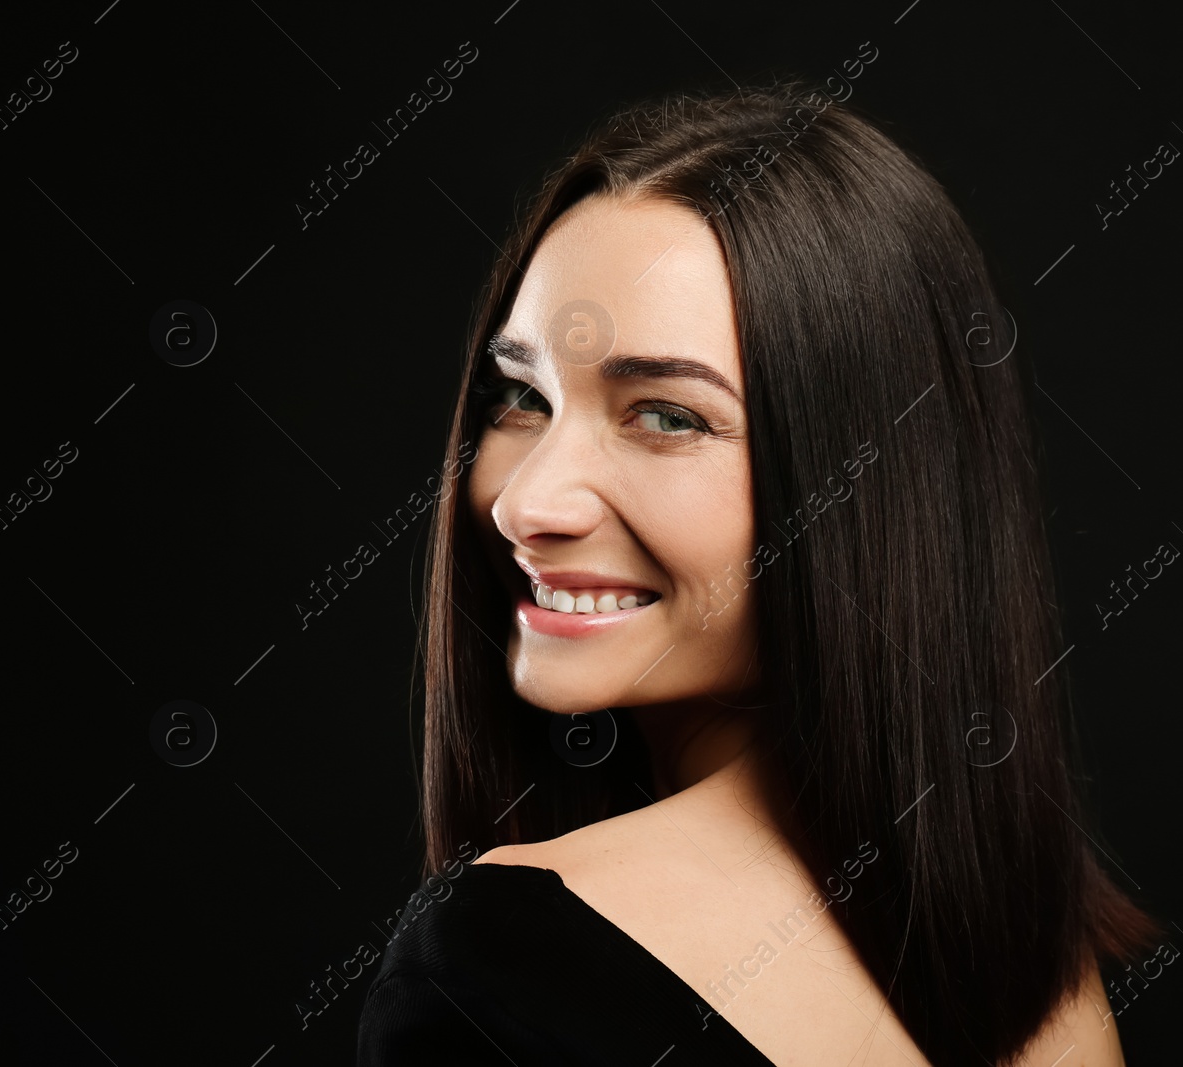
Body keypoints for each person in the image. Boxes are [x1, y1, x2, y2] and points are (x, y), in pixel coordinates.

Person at [354, 83, 1158, 1065]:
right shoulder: (1053, 986)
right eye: (522, 394)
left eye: (666, 415)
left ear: (865, 482)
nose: (528, 502)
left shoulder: (496, 963)